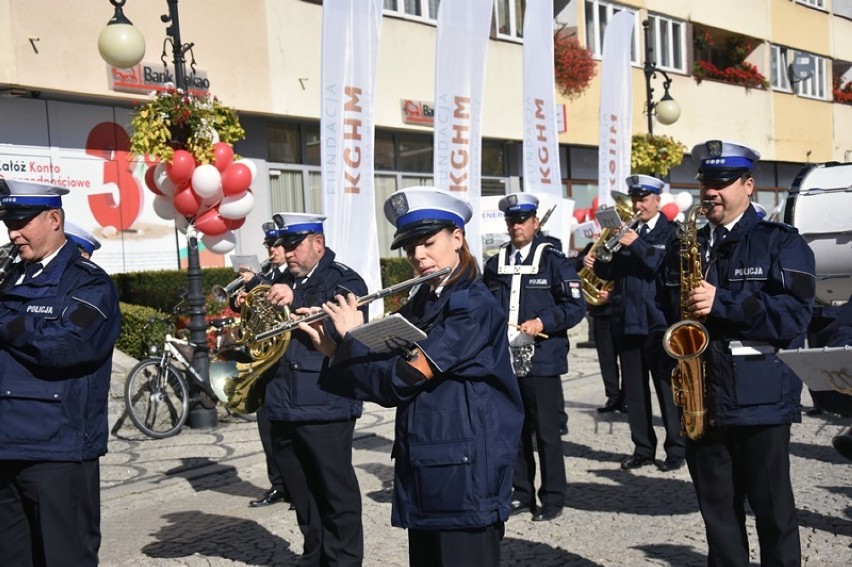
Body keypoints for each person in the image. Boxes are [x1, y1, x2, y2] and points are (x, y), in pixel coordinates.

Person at [298, 187, 524, 567]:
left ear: (457, 238)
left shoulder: (472, 305)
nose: (418, 256)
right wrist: (335, 349)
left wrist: (353, 338)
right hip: (430, 467)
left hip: (464, 475)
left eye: (428, 243)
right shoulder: (426, 299)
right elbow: (386, 369)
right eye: (410, 248)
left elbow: (400, 380)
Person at [660, 140, 816, 565]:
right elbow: (665, 312)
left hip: (759, 402)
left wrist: (724, 302)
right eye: (706, 181)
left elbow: (794, 318)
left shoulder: (780, 242)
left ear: (748, 186)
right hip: (702, 400)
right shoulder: (683, 244)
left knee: (774, 514)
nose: (711, 191)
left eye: (723, 182)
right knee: (719, 519)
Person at [0, 178, 121, 566]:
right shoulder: (9, 276)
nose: (12, 233)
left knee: (64, 558)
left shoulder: (88, 281)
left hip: (58, 449)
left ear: (54, 219)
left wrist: (8, 323)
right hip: (6, 445)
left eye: (21, 222)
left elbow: (65, 347)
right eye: (8, 224)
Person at [238, 212, 366, 566]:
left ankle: (343, 561)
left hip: (325, 402)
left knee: (334, 492)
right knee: (302, 492)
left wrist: (292, 298)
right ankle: (314, 556)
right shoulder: (277, 279)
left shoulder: (343, 281)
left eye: (295, 245)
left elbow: (348, 330)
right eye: (284, 246)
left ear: (318, 244)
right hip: (281, 401)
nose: (288, 252)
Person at [483, 192, 586, 522]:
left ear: (535, 223)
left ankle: (553, 496)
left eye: (522, 220)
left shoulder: (554, 260)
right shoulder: (494, 262)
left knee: (546, 432)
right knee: (513, 430)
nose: (516, 226)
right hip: (505, 357)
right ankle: (521, 492)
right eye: (511, 221)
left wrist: (543, 321)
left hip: (541, 357)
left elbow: (575, 306)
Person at [592, 176, 684, 472]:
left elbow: (667, 264)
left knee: (666, 390)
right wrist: (602, 258)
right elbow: (611, 269)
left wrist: (638, 243)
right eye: (636, 199)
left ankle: (676, 448)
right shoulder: (625, 231)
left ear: (658, 200)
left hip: (657, 322)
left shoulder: (670, 233)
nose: (638, 205)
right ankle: (643, 448)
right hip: (626, 320)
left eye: (645, 199)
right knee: (634, 390)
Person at [232, 220, 291, 509]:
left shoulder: (289, 276)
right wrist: (240, 300)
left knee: (291, 434)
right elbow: (255, 307)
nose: (273, 250)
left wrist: (255, 285)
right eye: (269, 245)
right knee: (267, 429)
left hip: (286, 363)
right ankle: (278, 484)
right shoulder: (266, 273)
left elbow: (278, 300)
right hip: (264, 363)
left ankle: (297, 487)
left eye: (277, 245)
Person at [577, 242, 625, 413]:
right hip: (599, 311)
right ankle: (612, 397)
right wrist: (583, 260)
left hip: (621, 310)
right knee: (606, 358)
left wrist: (613, 294)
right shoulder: (593, 246)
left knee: (626, 359)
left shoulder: (625, 247)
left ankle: (626, 398)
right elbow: (574, 267)